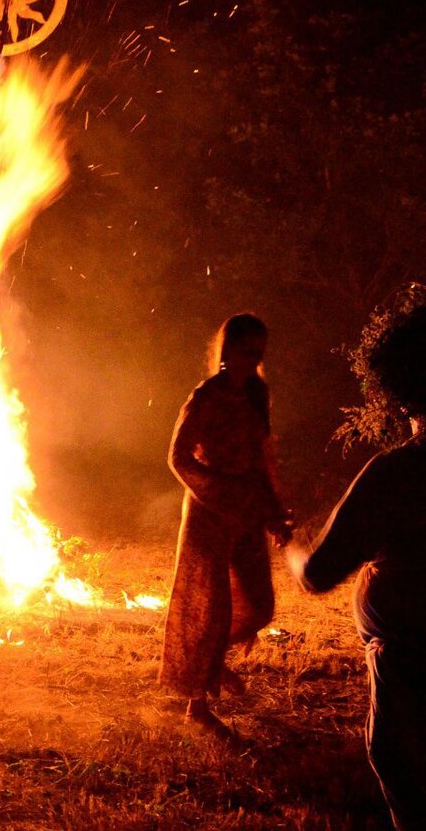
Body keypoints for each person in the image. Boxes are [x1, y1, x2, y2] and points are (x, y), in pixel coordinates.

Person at [286, 298, 426, 830]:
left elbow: (319, 571)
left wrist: (292, 546)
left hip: (414, 668)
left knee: (412, 783)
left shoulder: (399, 472)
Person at [159, 314, 291, 736]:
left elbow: (261, 458)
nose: (254, 361)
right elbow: (178, 457)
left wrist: (273, 512)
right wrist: (215, 490)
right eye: (248, 352)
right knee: (209, 610)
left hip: (247, 510)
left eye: (259, 354)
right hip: (209, 514)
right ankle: (197, 704)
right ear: (227, 351)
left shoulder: (257, 395)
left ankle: (212, 662)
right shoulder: (205, 397)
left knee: (258, 604)